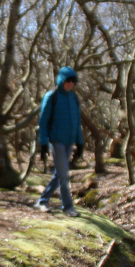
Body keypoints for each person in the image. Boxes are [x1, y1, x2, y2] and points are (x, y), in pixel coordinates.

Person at [35, 66, 84, 216]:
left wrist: (80, 143)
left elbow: (77, 122)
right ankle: (68, 207)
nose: (70, 83)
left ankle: (42, 201)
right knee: (64, 175)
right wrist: (43, 144)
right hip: (56, 140)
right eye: (67, 80)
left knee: (59, 174)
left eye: (73, 80)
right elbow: (43, 122)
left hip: (69, 141)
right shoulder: (51, 96)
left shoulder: (74, 98)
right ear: (61, 80)